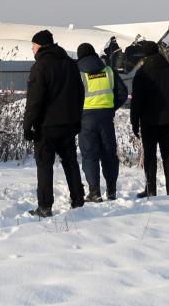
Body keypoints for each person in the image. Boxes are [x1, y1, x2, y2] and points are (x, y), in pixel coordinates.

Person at [23, 30, 86, 217]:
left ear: (40, 46)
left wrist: (28, 126)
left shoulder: (40, 67)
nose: (32, 49)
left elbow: (34, 101)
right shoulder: (70, 64)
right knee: (71, 163)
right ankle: (78, 200)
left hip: (46, 127)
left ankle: (44, 206)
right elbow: (80, 94)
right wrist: (77, 120)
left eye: (33, 45)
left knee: (44, 166)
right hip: (68, 124)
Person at [129, 40, 169, 198]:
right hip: (168, 121)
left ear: (145, 54)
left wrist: (134, 121)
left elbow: (136, 101)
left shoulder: (142, 73)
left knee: (150, 156)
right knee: (168, 155)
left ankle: (150, 190)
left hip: (148, 122)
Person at [76, 42, 129, 202]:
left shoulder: (78, 73)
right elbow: (123, 93)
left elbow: (72, 97)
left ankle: (94, 192)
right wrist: (110, 108)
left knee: (89, 155)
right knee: (109, 154)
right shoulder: (109, 71)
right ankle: (111, 191)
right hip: (106, 118)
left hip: (86, 120)